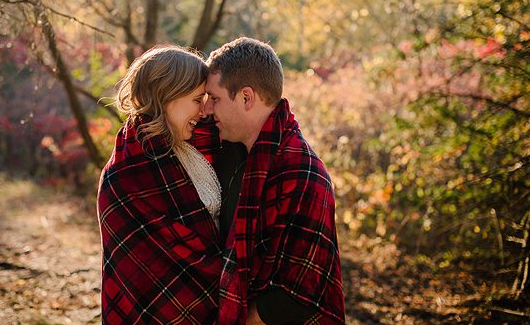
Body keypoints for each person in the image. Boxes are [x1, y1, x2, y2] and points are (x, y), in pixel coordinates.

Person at [204, 37, 345, 324]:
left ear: (246, 98)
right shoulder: (230, 153)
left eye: (214, 99)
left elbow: (297, 296)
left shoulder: (304, 172)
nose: (207, 110)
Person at [97, 45, 223, 324]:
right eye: (195, 99)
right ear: (167, 97)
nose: (203, 111)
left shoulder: (195, 145)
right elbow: (153, 265)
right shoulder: (129, 172)